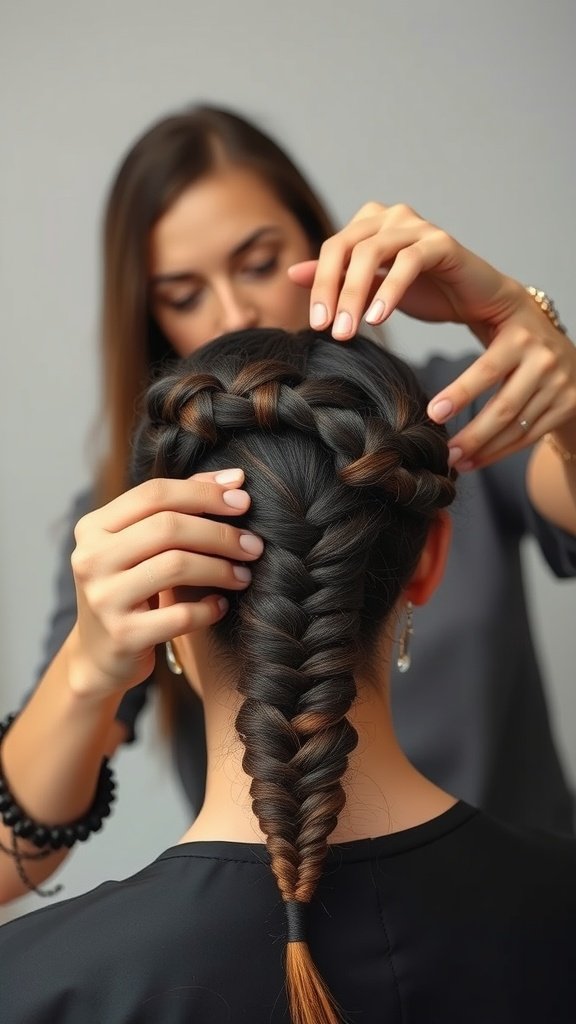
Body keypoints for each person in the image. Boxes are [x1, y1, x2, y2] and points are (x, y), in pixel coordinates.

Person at [1, 105, 576, 904]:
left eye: (260, 262)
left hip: (526, 932)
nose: (234, 315)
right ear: (152, 317)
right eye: (183, 293)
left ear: (320, 244)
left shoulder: (453, 419)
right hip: (277, 960)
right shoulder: (138, 519)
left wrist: (538, 351)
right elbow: (6, 863)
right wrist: (88, 666)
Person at [0, 329, 575, 1024]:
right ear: (428, 562)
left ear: (163, 597)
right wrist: (532, 323)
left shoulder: (38, 986)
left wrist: (84, 673)